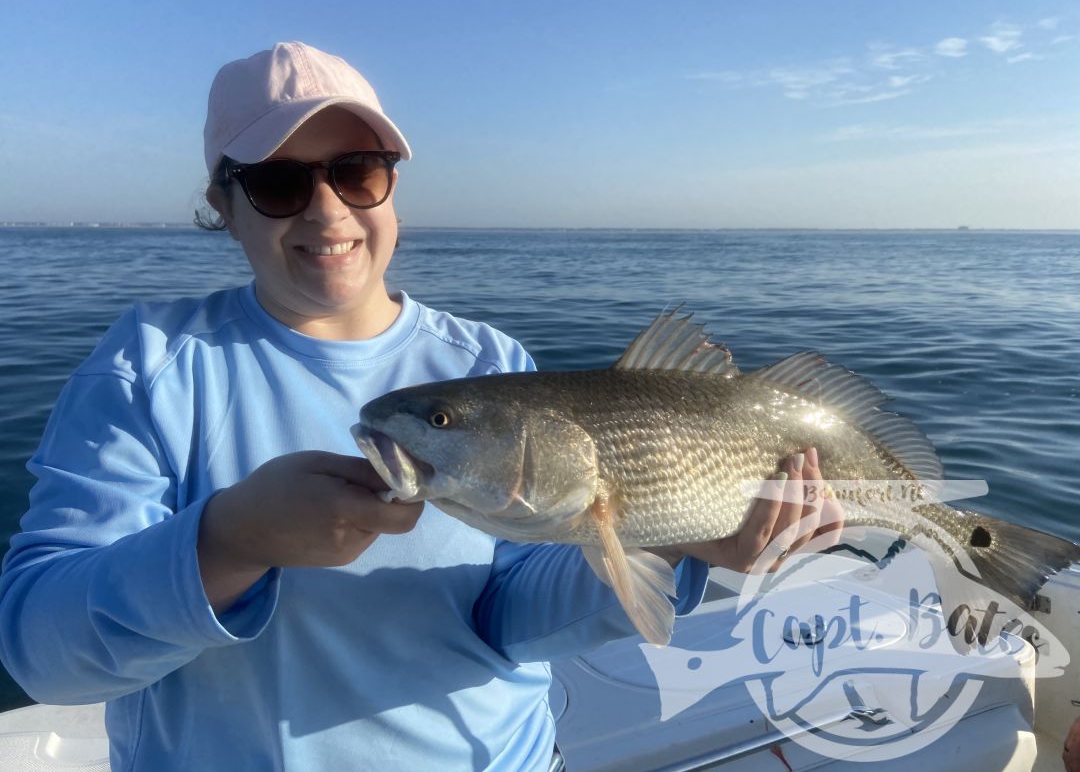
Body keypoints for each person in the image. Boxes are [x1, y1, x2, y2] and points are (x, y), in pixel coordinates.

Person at [0, 42, 839, 771]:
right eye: (279, 183)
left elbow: (510, 616)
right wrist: (230, 541)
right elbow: (44, 655)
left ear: (391, 187)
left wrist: (691, 541)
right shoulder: (150, 368)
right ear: (222, 204)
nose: (328, 210)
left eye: (356, 173)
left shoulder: (488, 365)